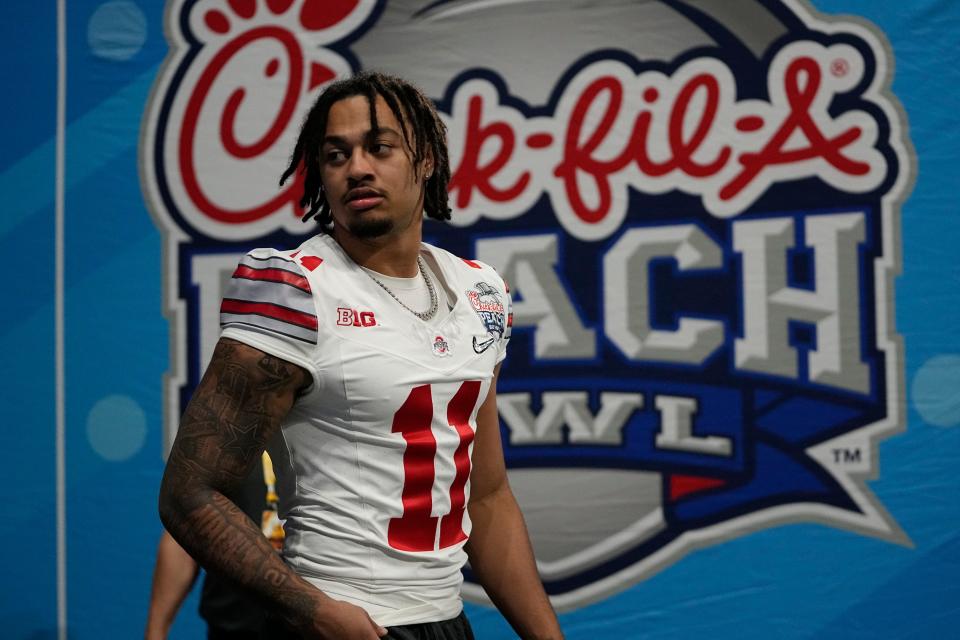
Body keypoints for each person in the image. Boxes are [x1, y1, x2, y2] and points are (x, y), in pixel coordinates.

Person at [158, 70, 564, 640]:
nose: (357, 168)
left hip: (446, 622)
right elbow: (188, 492)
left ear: (426, 158)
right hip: (339, 618)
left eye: (379, 147)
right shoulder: (295, 289)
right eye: (335, 154)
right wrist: (313, 611)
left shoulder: (480, 290)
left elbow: (487, 497)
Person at [146, 455, 284, 640]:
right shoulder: (222, 442)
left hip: (315, 623)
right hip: (233, 627)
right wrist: (156, 632)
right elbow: (184, 531)